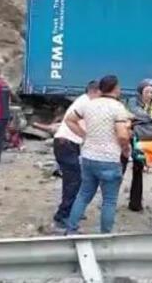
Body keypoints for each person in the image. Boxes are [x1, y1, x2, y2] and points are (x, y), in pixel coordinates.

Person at [65, 75, 133, 234]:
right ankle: (104, 235)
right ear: (115, 88)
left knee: (83, 195)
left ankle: (71, 229)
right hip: (109, 159)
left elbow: (69, 120)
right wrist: (126, 149)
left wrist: (84, 136)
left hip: (88, 157)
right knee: (109, 201)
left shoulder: (89, 104)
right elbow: (122, 135)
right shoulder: (118, 107)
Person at [51, 80, 100, 231]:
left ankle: (72, 210)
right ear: (94, 91)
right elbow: (71, 122)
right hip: (66, 144)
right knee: (73, 182)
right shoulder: (86, 103)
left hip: (68, 144)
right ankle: (62, 216)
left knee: (76, 180)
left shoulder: (84, 101)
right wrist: (86, 137)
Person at [123, 78, 152, 212]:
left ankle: (135, 203)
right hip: (127, 139)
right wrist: (151, 118)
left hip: (142, 140)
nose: (149, 95)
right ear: (141, 92)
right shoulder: (133, 101)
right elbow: (136, 113)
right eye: (147, 92)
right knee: (120, 168)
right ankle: (109, 200)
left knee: (138, 169)